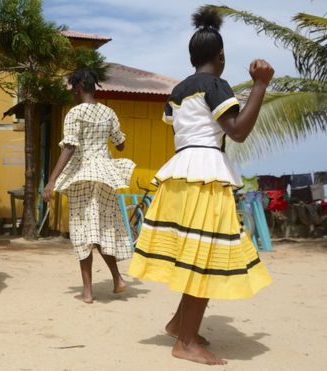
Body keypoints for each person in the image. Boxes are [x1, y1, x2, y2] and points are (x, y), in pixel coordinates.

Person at [127, 8, 274, 366]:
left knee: (197, 255)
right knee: (204, 259)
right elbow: (236, 130)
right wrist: (260, 85)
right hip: (206, 176)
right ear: (221, 57)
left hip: (182, 175)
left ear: (192, 58)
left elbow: (180, 127)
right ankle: (186, 342)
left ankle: (180, 324)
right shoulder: (216, 85)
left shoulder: (178, 91)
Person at [42, 67, 135, 304]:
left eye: (73, 88)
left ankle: (88, 291)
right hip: (105, 175)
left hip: (84, 176)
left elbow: (70, 147)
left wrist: (52, 180)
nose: (72, 93)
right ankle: (117, 279)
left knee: (84, 231)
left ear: (80, 87)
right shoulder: (109, 112)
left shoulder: (74, 114)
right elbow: (121, 144)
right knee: (102, 228)